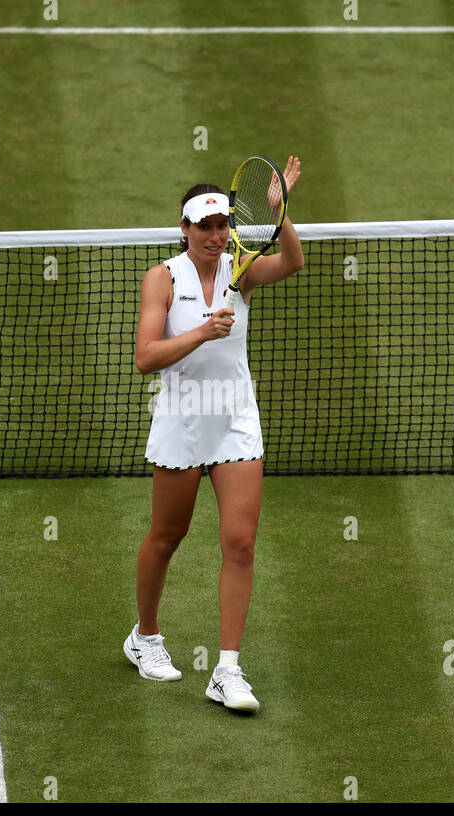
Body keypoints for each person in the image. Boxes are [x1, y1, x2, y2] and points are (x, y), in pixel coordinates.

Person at [124, 156, 303, 712]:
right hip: (181, 419)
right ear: (184, 229)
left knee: (241, 542)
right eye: (204, 226)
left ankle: (227, 668)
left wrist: (282, 214)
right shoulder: (162, 278)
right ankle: (145, 637)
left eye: (222, 224)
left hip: (235, 421)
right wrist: (203, 332)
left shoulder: (241, 271)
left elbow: (293, 262)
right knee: (166, 536)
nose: (214, 235)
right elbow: (146, 358)